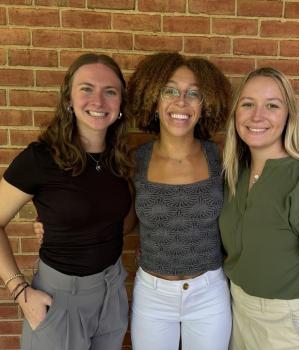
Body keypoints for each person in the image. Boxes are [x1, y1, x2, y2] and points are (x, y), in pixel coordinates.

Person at [0, 53, 136, 350]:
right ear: (68, 100)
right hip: (59, 299)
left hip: (111, 290)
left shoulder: (120, 158)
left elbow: (120, 223)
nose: (98, 101)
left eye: (110, 92)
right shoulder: (40, 158)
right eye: (86, 89)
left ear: (120, 105)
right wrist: (20, 291)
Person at [220, 67, 299, 350]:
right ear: (236, 114)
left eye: (272, 106)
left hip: (280, 326)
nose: (257, 116)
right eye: (248, 104)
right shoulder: (234, 175)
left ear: (288, 114)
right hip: (234, 311)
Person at [125, 52, 232, 350]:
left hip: (209, 292)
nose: (181, 101)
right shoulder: (137, 160)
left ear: (204, 103)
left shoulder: (219, 157)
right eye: (169, 90)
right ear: (153, 99)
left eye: (193, 93)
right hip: (153, 295)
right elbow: (124, 224)